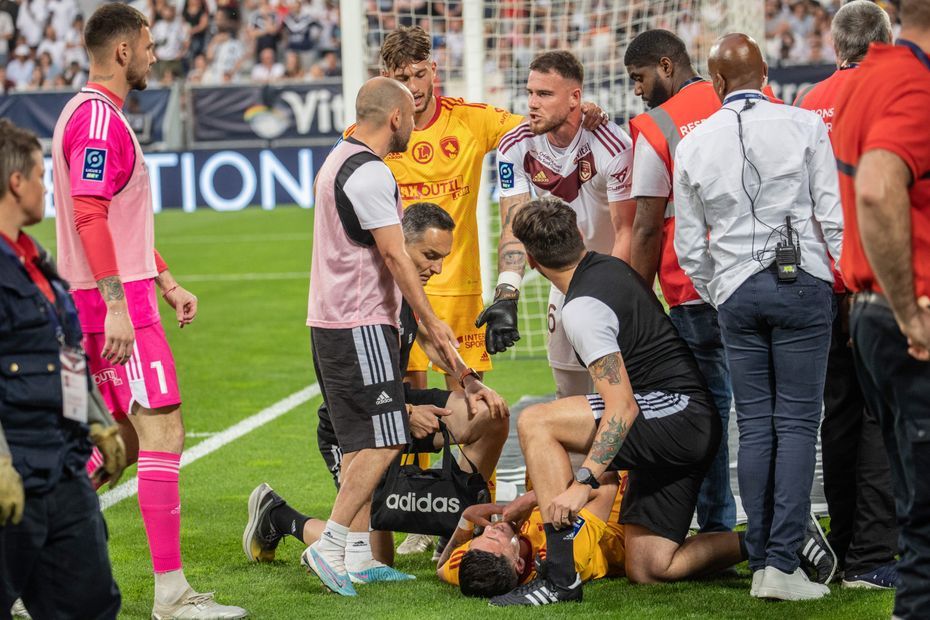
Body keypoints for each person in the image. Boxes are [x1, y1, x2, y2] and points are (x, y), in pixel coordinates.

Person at [348, 26, 607, 556]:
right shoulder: (374, 132)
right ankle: (403, 515)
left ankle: (464, 510)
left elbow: (541, 125)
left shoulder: (470, 120)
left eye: (420, 74)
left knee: (477, 415)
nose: (413, 87)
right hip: (396, 295)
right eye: (401, 78)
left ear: (434, 71)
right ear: (385, 81)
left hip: (460, 296)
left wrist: (589, 115)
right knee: (400, 409)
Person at [50, 5, 247, 618]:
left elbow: (113, 216)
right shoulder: (100, 121)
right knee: (163, 431)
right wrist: (118, 304)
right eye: (150, 44)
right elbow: (88, 214)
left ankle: (27, 556)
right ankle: (172, 596)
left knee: (123, 444)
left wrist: (165, 278)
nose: (157, 54)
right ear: (123, 52)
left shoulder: (87, 113)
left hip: (117, 294)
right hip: (114, 304)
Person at [489, 197, 741, 607]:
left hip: (677, 418)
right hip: (679, 424)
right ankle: (775, 542)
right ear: (580, 236)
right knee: (651, 567)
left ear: (533, 263)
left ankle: (559, 576)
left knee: (536, 422)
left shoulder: (581, 310)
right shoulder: (609, 266)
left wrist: (582, 483)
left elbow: (622, 408)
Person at [244, 202, 509, 577]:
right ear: (401, 244)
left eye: (442, 258)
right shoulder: (366, 290)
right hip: (357, 422)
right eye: (430, 255)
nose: (437, 268)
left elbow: (432, 342)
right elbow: (349, 381)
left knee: (490, 414)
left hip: (396, 408)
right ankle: (279, 516)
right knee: (373, 562)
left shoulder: (406, 287)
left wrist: (470, 380)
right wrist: (402, 415)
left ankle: (455, 522)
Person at [674, 33, 843, 601]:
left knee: (755, 425)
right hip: (803, 287)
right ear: (767, 73)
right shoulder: (803, 125)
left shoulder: (694, 142)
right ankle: (781, 564)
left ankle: (763, 556)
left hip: (736, 291)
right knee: (796, 425)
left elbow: (689, 244)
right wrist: (838, 279)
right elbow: (832, 216)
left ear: (715, 83)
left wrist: (717, 289)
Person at [303, 75, 460, 597]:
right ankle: (330, 543)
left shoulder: (335, 160)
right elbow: (395, 255)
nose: (415, 122)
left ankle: (354, 555)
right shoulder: (370, 173)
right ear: (396, 117)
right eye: (412, 113)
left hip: (330, 319)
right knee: (387, 433)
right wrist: (430, 322)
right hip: (360, 321)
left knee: (357, 440)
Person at [793, 0, 899, 590]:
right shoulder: (898, 94)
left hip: (821, 281)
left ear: (835, 47)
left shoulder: (808, 103)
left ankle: (845, 536)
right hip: (879, 278)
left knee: (839, 415)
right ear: (884, 43)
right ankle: (874, 553)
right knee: (882, 415)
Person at [0, 119, 124, 620]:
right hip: (12, 470)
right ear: (15, 184)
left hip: (63, 466)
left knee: (91, 604)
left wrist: (95, 419)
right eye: (39, 176)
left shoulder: (40, 263)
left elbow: (65, 351)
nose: (47, 187)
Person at [832, 1, 930, 616]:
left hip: (866, 306)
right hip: (908, 311)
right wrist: (911, 310)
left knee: (914, 504)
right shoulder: (914, 84)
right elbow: (875, 185)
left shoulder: (861, 81)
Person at [625, 28, 738, 538]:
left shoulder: (657, 127)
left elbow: (647, 225)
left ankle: (717, 528)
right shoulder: (747, 96)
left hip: (693, 289)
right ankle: (785, 528)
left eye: (640, 78)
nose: (638, 90)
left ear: (667, 66)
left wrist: (634, 301)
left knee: (707, 416)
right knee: (771, 412)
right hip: (760, 278)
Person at [485, 50, 635, 398]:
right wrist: (506, 295)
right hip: (564, 273)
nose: (532, 103)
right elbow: (514, 223)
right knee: (568, 392)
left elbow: (628, 230)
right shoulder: (515, 145)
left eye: (545, 94)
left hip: (613, 272)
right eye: (530, 93)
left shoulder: (612, 145)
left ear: (575, 98)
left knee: (619, 392)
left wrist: (618, 294)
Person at [435, 472, 627, 597]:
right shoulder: (561, 556)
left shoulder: (478, 565)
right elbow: (607, 489)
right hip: (616, 509)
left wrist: (466, 518)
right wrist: (534, 497)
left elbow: (442, 567)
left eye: (478, 537)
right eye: (494, 537)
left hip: (565, 492)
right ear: (519, 564)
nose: (489, 528)